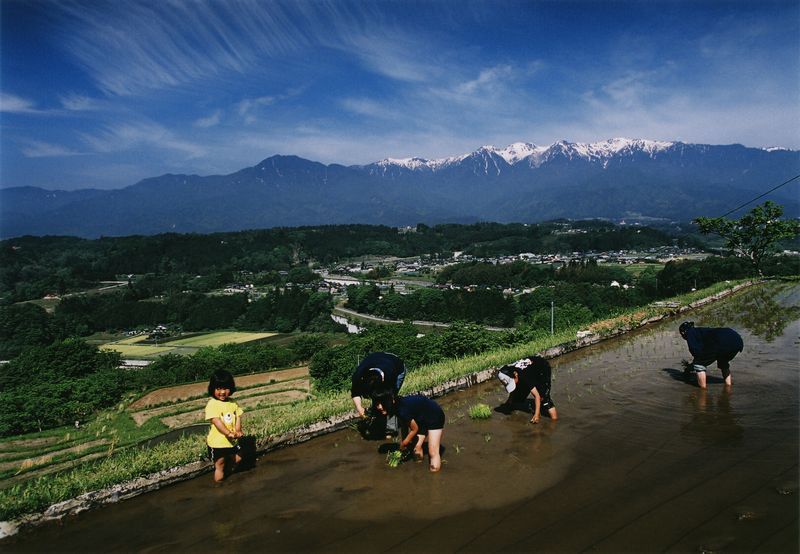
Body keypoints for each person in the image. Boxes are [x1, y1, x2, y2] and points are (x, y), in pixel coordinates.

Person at [372, 390, 445, 472]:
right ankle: (418, 468)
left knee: (432, 451)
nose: (379, 407)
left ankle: (434, 477)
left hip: (434, 415)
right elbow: (404, 424)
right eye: (377, 404)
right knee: (416, 448)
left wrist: (403, 444)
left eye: (381, 403)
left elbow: (415, 429)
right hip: (421, 417)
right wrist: (405, 440)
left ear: (389, 401)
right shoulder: (395, 406)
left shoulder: (401, 409)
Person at [351, 352, 406, 436]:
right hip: (377, 360)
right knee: (378, 402)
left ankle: (390, 429)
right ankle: (377, 424)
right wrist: (359, 408)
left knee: (388, 402)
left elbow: (390, 398)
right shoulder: (358, 375)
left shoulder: (389, 375)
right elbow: (355, 392)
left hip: (397, 367)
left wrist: (384, 407)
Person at [205, 369, 244, 482]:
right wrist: (228, 433)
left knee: (238, 457)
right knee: (220, 464)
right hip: (218, 442)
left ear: (231, 389)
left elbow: (238, 416)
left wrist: (238, 430)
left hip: (232, 440)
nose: (222, 392)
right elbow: (216, 421)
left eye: (226, 388)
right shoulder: (212, 404)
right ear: (213, 389)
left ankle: (229, 474)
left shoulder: (233, 402)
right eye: (218, 389)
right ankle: (219, 485)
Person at [679, 321, 743, 389]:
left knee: (699, 365)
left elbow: (697, 355)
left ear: (683, 333)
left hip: (720, 341)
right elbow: (704, 355)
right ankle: (728, 387)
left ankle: (703, 392)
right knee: (723, 362)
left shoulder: (689, 333)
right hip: (736, 340)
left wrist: (690, 367)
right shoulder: (701, 331)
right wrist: (690, 368)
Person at [497, 356, 559, 423]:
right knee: (517, 399)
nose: (513, 384)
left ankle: (554, 420)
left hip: (542, 368)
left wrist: (536, 415)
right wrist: (509, 402)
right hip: (529, 371)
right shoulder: (508, 371)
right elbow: (514, 388)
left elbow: (537, 396)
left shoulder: (525, 376)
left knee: (543, 397)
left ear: (516, 374)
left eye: (512, 382)